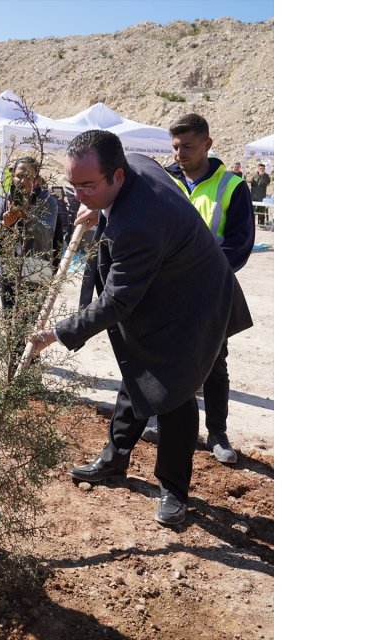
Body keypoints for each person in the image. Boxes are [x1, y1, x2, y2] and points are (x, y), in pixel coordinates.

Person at [27, 130, 251, 526]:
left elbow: (116, 301)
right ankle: (114, 461)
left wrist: (56, 334)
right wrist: (99, 209)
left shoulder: (138, 226)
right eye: (73, 185)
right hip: (165, 288)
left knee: (174, 392)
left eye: (88, 186)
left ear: (117, 177)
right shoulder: (133, 163)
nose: (79, 195)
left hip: (194, 305)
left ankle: (173, 490)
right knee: (137, 373)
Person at [150, 113, 256, 464]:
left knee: (213, 362)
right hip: (165, 291)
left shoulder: (232, 186)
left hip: (210, 292)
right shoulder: (162, 180)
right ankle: (158, 419)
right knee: (163, 358)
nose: (179, 153)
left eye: (188, 146)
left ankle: (217, 433)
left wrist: (199, 271)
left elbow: (240, 244)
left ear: (208, 144)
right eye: (176, 146)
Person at [0, 157, 58, 314]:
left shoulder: (47, 201)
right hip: (9, 267)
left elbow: (46, 235)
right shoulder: (6, 199)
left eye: (28, 177)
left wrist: (25, 215)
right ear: (13, 176)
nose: (22, 180)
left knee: (27, 323)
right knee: (8, 320)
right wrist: (4, 224)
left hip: (36, 268)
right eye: (19, 176)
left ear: (37, 179)